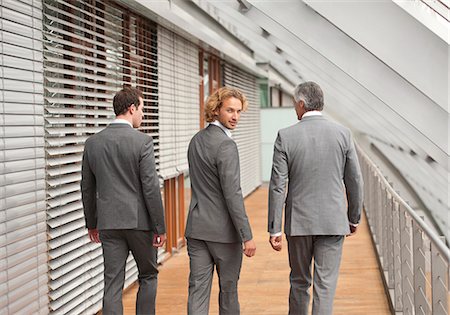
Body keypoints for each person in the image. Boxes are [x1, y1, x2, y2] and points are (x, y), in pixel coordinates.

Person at [268, 81, 363, 315]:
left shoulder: (285, 136)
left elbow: (278, 185)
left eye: (294, 104)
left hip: (298, 223)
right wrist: (353, 218)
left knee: (299, 281)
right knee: (325, 285)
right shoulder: (343, 134)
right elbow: (355, 180)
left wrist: (275, 229)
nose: (294, 109)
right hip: (332, 221)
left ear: (301, 104)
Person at [81, 87, 166, 315]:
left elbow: (87, 188)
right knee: (148, 276)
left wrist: (92, 223)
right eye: (142, 110)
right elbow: (150, 188)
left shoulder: (93, 143)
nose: (143, 115)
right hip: (140, 224)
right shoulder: (143, 142)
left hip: (109, 223)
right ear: (131, 108)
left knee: (113, 283)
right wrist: (160, 227)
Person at [185, 86, 257, 315]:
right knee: (228, 292)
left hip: (197, 229)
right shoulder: (226, 145)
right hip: (224, 234)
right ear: (215, 110)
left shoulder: (196, 140)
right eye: (230, 111)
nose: (235, 117)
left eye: (238, 111)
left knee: (197, 291)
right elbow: (232, 193)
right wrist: (247, 235)